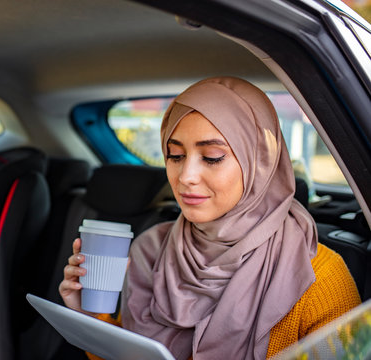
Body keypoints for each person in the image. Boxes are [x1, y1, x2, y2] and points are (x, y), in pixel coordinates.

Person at [59, 76, 361, 360]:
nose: (186, 177)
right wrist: (90, 316)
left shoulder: (319, 278)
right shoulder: (149, 249)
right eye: (175, 156)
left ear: (260, 162)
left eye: (212, 157)